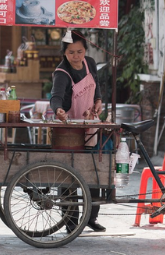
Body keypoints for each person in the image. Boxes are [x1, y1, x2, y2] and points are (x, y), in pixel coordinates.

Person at [50, 30, 105, 233]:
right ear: (64, 53)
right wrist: (58, 110)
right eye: (71, 52)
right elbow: (55, 97)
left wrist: (98, 100)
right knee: (69, 175)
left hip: (90, 124)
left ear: (85, 50)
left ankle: (91, 217)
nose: (76, 56)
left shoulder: (89, 63)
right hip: (69, 130)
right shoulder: (61, 73)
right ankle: (70, 220)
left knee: (93, 171)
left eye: (79, 51)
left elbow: (96, 84)